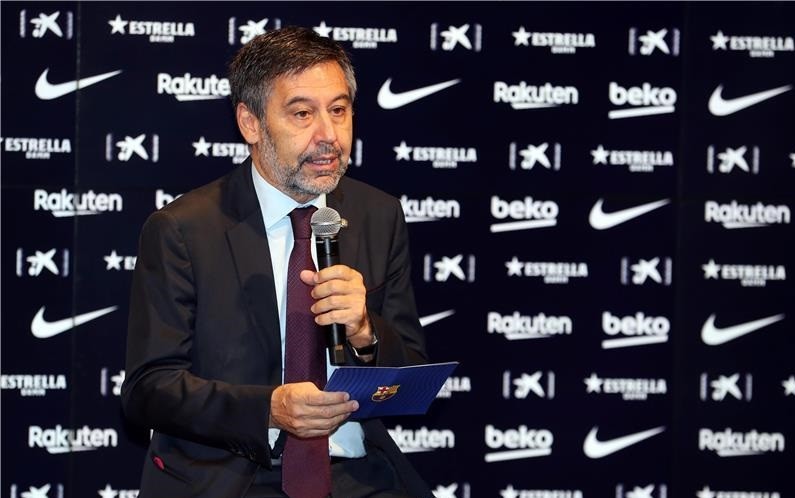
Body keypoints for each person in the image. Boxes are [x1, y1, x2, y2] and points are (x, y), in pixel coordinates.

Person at [121, 26, 432, 498]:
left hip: (355, 475)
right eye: (302, 114)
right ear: (251, 123)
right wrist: (269, 409)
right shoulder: (182, 229)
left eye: (339, 110)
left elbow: (412, 383)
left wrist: (366, 331)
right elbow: (148, 390)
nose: (328, 136)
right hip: (233, 476)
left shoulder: (378, 214)